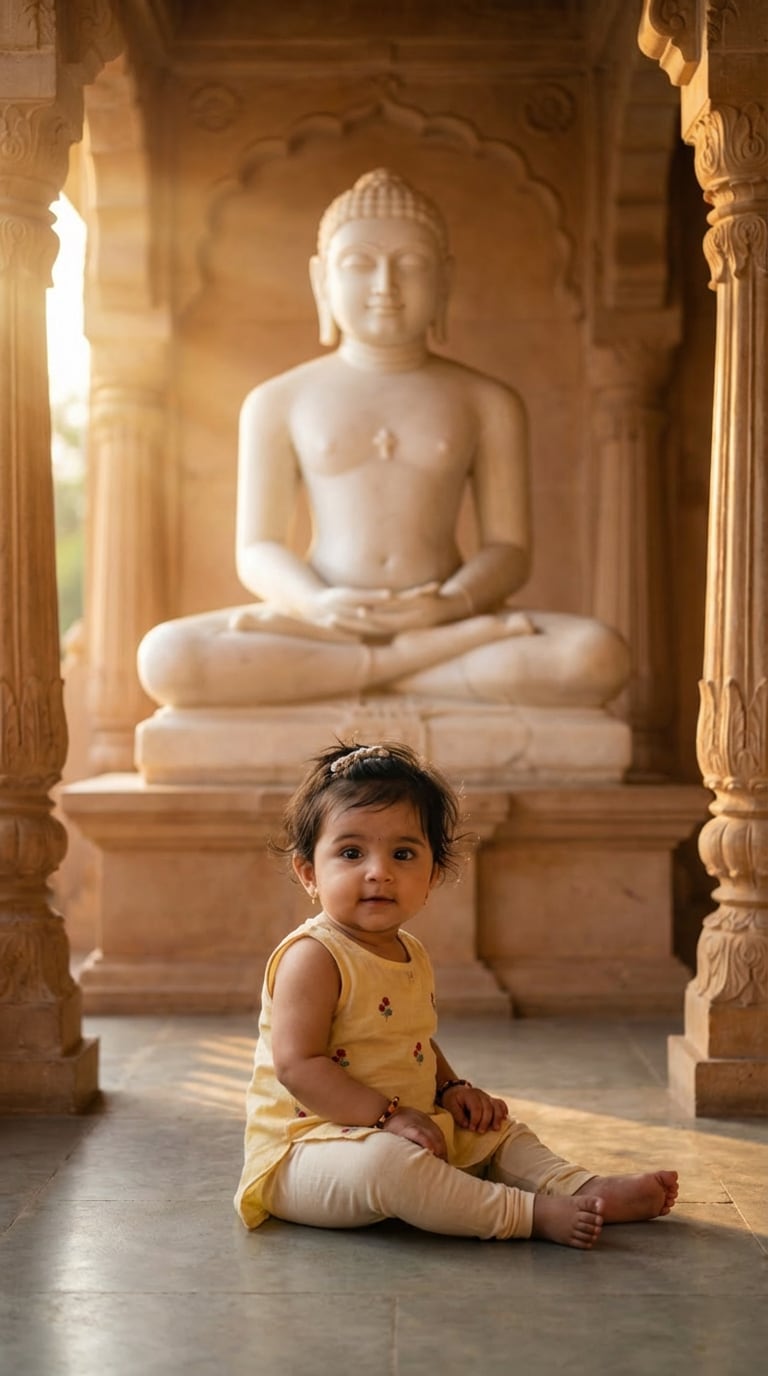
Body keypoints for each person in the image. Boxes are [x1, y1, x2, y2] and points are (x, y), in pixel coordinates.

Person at [138, 168, 629, 710]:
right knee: (166, 657)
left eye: (411, 265)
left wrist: (449, 605)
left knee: (596, 655)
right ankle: (400, 669)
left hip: (448, 616)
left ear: (445, 281)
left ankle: (358, 675)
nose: (385, 286)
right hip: (322, 624)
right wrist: (317, 603)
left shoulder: (485, 400)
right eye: (360, 264)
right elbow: (257, 549)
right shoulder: (279, 399)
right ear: (322, 281)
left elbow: (509, 550)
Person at [235, 740, 678, 1247]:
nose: (378, 871)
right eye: (351, 853)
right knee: (390, 1167)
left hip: (401, 1125)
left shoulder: (409, 951)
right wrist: (389, 1117)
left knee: (497, 1132)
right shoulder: (313, 956)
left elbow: (409, 1038)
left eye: (403, 854)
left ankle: (581, 1187)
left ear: (433, 875)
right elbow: (298, 1065)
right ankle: (528, 1214)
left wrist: (451, 1089)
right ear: (309, 873)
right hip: (308, 1151)